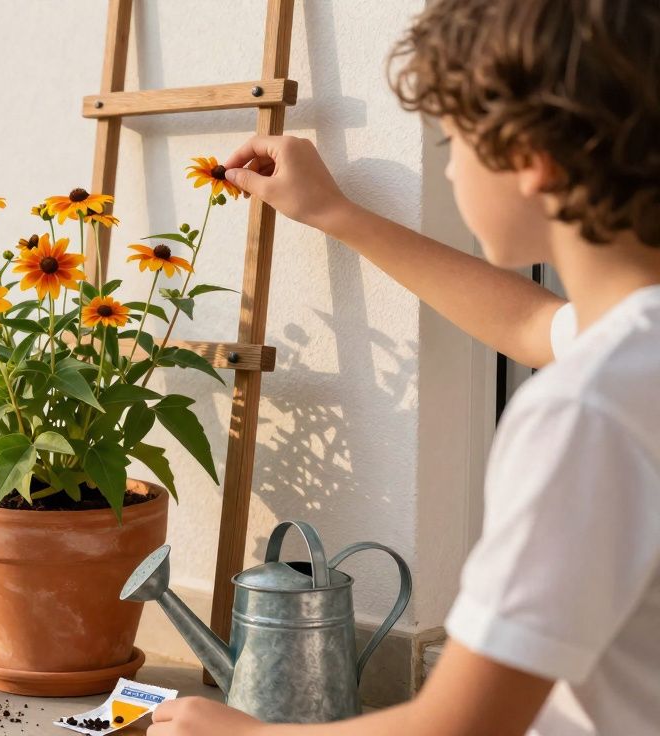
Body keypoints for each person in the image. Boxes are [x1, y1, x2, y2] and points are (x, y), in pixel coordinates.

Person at [148, 0, 660, 734]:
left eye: (451, 143)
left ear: (530, 162)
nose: (447, 168)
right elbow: (530, 322)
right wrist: (335, 211)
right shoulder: (633, 351)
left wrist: (254, 735)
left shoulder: (586, 413)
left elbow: (464, 726)